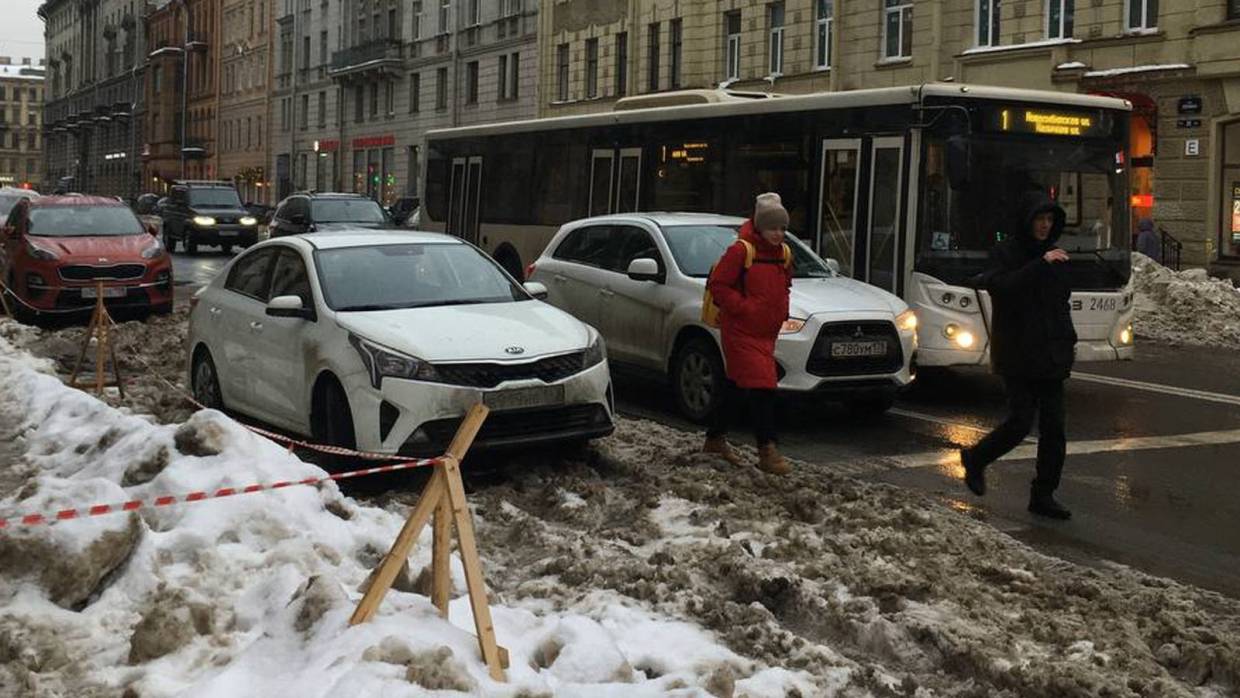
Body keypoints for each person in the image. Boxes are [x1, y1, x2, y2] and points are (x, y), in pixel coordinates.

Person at [960, 191, 1077, 520]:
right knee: (1020, 423)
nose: (1044, 225)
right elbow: (1004, 287)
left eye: (1049, 220)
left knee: (1055, 430)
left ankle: (1044, 494)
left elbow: (1059, 306)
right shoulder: (1008, 252)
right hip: (1018, 355)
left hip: (1051, 356)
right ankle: (976, 458)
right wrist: (1041, 264)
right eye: (1039, 219)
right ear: (1027, 221)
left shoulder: (1056, 256)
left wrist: (1067, 343)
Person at [702, 193, 794, 475]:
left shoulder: (784, 254)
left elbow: (785, 286)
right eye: (772, 228)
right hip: (740, 331)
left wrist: (781, 311)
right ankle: (767, 450)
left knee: (736, 386)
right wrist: (744, 308)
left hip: (765, 333)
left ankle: (715, 438)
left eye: (782, 228)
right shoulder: (742, 251)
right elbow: (718, 286)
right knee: (762, 387)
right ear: (759, 227)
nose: (778, 234)